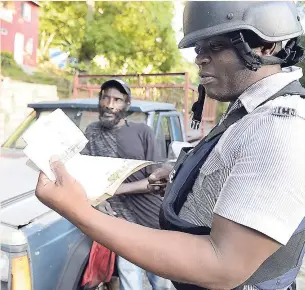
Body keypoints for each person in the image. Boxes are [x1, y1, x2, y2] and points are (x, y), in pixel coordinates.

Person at [35, 2, 305, 290]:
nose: (200, 59)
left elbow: (223, 265)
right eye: (198, 48)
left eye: (214, 45)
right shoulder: (250, 111)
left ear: (265, 46)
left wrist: (81, 212)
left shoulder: (280, 126)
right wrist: (180, 176)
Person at [81, 79, 172, 290]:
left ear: (127, 105)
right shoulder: (92, 133)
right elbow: (84, 176)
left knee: (161, 281)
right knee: (130, 279)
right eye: (106, 97)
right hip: (119, 223)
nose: (110, 104)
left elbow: (156, 180)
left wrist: (116, 190)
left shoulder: (142, 132)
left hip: (150, 220)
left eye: (117, 100)